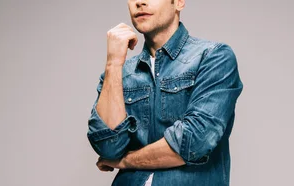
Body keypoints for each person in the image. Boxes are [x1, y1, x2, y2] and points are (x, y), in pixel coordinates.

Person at [86, 0, 243, 185]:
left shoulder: (213, 57)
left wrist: (125, 161)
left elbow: (194, 142)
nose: (140, 2)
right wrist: (113, 63)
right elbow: (107, 147)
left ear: (178, 2)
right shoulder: (120, 73)